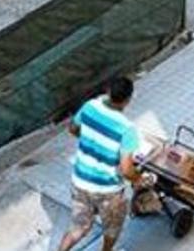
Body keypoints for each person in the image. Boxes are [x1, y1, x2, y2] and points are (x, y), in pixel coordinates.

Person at [56, 77, 152, 251]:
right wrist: (139, 178)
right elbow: (126, 169)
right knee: (112, 227)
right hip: (108, 191)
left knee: (79, 227)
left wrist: (92, 142)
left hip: (80, 182)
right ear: (128, 100)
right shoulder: (127, 129)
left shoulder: (90, 106)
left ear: (108, 91)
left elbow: (72, 129)